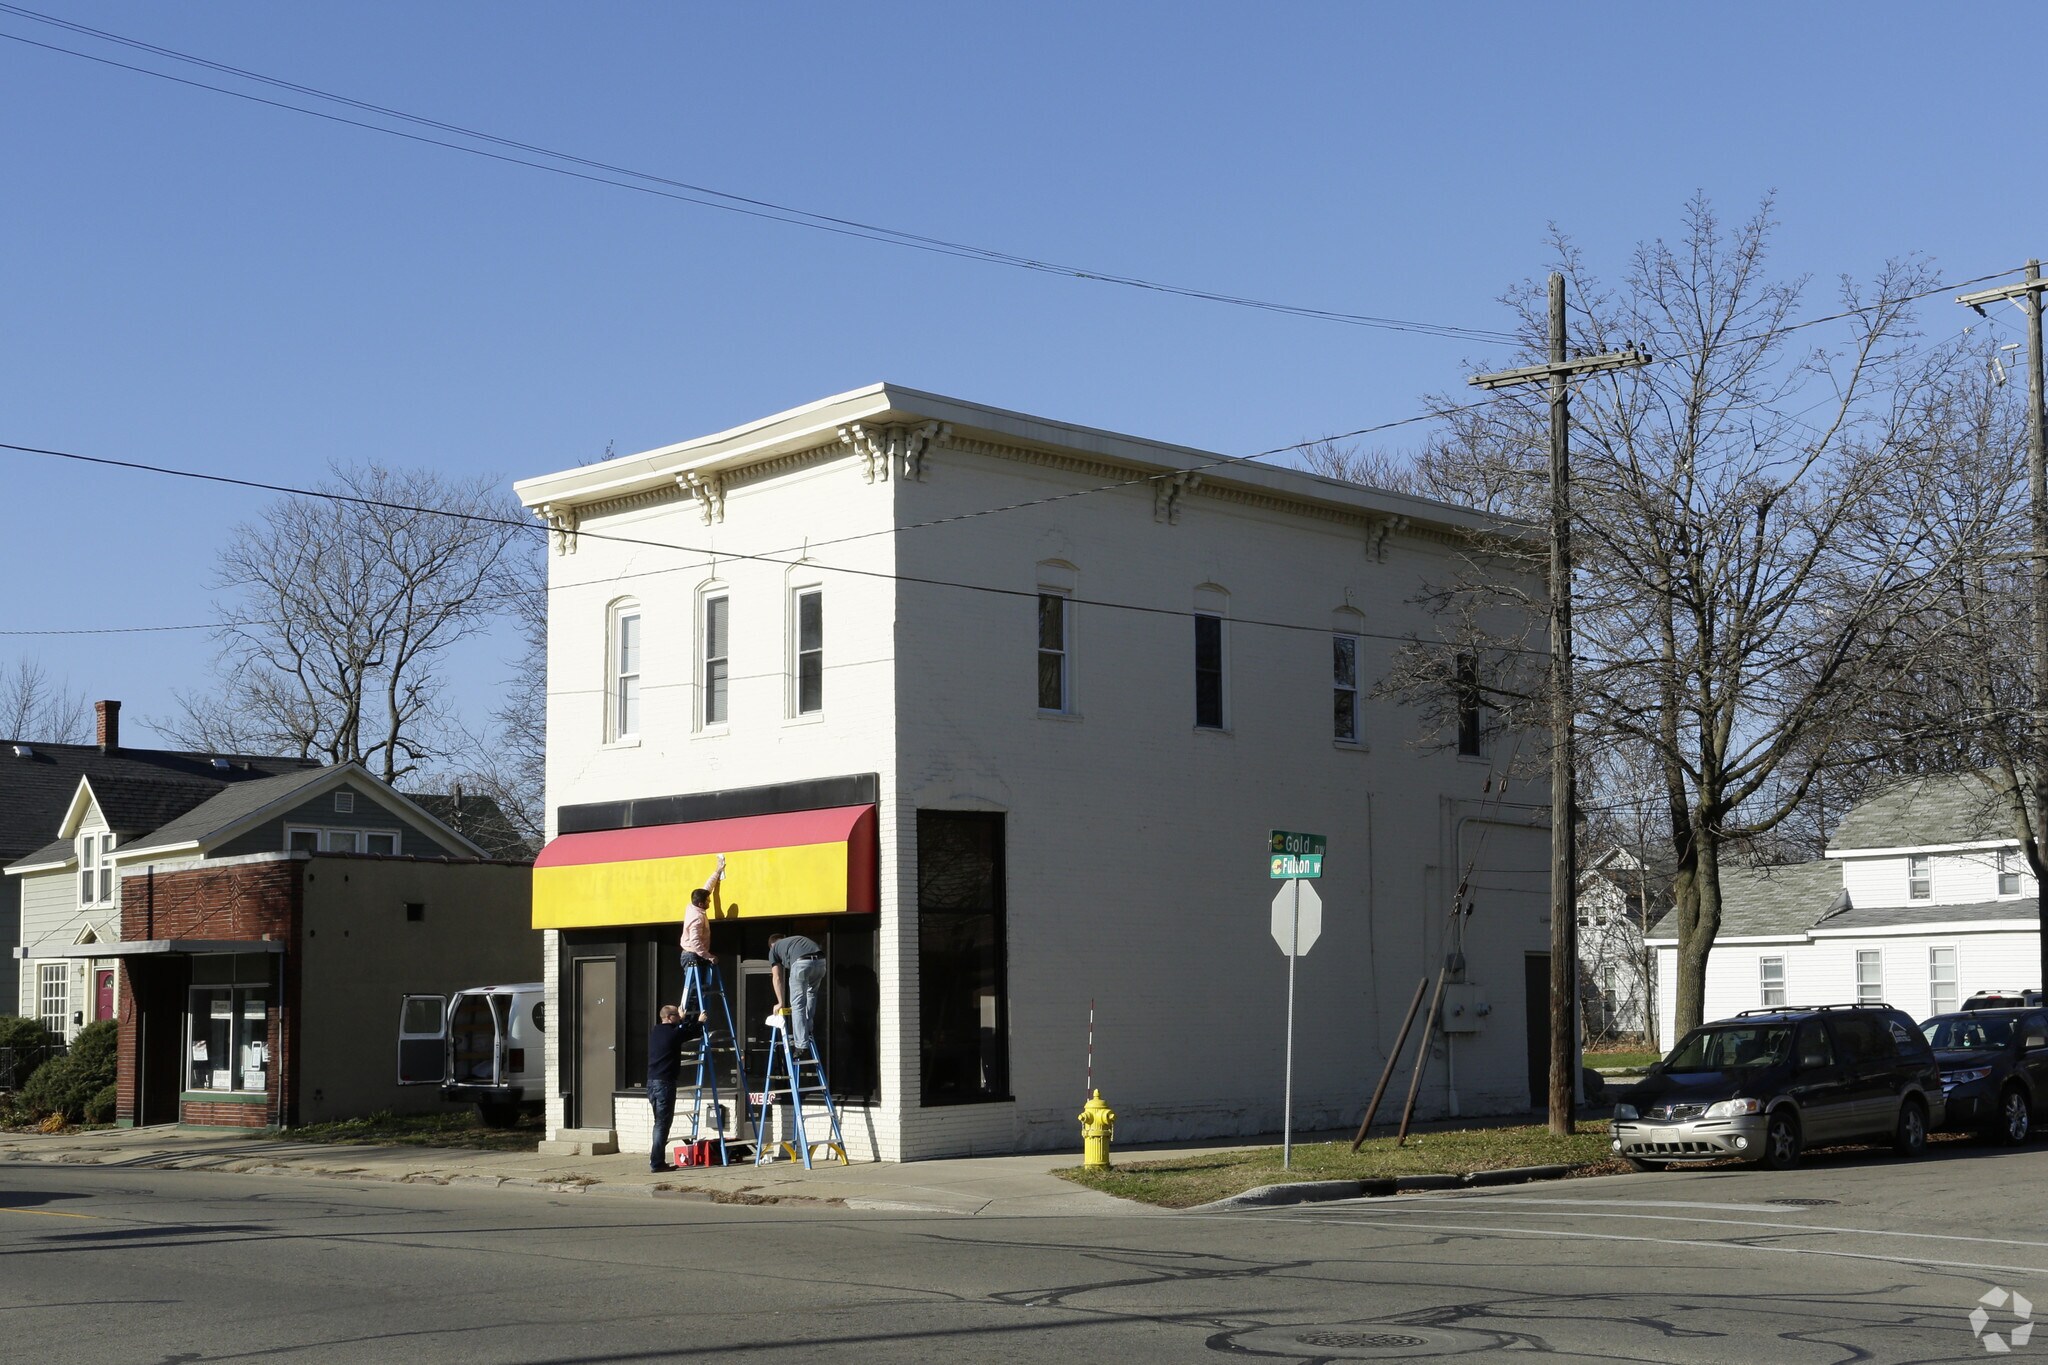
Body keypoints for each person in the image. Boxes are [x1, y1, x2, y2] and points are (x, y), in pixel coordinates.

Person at [679, 855, 726, 1018]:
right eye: (708, 901)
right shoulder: (697, 918)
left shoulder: (693, 905)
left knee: (701, 990)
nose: (710, 902)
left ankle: (697, 1015)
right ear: (701, 904)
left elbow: (707, 888)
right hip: (692, 955)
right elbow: (695, 942)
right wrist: (709, 956)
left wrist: (717, 871)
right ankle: (690, 1019)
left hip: (694, 955)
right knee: (694, 992)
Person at [646, 1004, 690, 1172]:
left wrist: (682, 1020)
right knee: (662, 1124)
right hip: (664, 1084)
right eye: (677, 1015)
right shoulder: (673, 1034)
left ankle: (656, 1161)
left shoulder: (657, 1031)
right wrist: (699, 1022)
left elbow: (677, 1032)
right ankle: (657, 1163)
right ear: (670, 1018)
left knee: (660, 1123)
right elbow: (688, 1032)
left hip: (652, 1083)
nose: (680, 1017)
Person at [767, 931, 826, 1056]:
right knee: (811, 994)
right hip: (821, 962)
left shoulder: (774, 949)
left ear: (772, 945)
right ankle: (808, 1030)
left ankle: (801, 1045)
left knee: (797, 1004)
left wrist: (780, 1002)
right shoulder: (794, 940)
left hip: (802, 963)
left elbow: (777, 977)